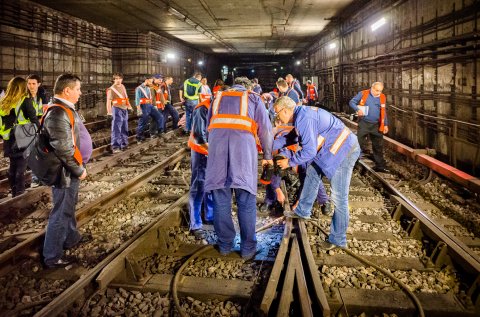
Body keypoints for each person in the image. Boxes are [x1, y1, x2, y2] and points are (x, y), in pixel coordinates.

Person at [275, 96, 360, 250]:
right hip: (331, 149)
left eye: (277, 114)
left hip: (343, 150)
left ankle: (338, 239)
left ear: (285, 111)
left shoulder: (304, 118)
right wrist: (268, 144)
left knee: (339, 197)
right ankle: (303, 211)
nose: (277, 118)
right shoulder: (301, 115)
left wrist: (289, 162)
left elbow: (309, 151)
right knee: (312, 172)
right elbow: (291, 138)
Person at [205, 77, 273, 260]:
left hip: (217, 154)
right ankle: (247, 249)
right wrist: (267, 156)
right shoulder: (253, 98)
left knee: (221, 202)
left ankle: (225, 245)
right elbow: (266, 130)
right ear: (248, 87)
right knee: (246, 202)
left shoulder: (217, 97)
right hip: (242, 155)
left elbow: (207, 129)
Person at [42, 73, 92, 268]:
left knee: (69, 205)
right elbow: (63, 148)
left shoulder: (65, 109)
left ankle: (71, 238)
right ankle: (52, 257)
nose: (80, 93)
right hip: (65, 172)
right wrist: (79, 170)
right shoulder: (58, 113)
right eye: (78, 89)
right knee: (61, 211)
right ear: (67, 90)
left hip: (69, 170)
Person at [0, 77, 40, 197]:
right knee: (21, 168)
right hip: (22, 138)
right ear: (22, 87)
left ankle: (13, 193)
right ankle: (19, 195)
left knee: (13, 166)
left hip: (8, 138)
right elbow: (34, 119)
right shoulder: (25, 100)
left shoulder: (3, 101)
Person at [187, 91, 214, 239]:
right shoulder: (202, 108)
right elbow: (199, 134)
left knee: (210, 185)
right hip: (200, 151)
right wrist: (212, 150)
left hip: (210, 151)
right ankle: (195, 224)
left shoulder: (217, 108)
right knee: (198, 186)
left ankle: (209, 216)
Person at [349, 82, 389, 173]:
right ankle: (353, 164)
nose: (379, 93)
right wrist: (357, 109)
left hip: (376, 125)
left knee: (378, 146)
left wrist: (385, 124)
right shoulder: (363, 94)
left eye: (380, 91)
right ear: (372, 88)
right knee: (358, 144)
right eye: (377, 90)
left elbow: (383, 112)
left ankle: (380, 166)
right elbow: (352, 102)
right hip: (364, 123)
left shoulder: (382, 97)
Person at [26, 74, 45, 187]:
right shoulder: (24, 97)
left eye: (33, 84)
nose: (31, 86)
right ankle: (34, 178)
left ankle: (39, 177)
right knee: (31, 154)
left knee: (39, 153)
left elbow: (41, 114)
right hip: (26, 131)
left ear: (38, 84)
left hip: (36, 128)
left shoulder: (40, 97)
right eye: (29, 83)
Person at [106, 73, 132, 153]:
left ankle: (124, 144)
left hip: (124, 109)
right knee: (116, 128)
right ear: (113, 80)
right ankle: (115, 146)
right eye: (116, 79)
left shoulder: (123, 86)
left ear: (122, 79)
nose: (118, 80)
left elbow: (126, 97)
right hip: (117, 109)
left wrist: (129, 106)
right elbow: (108, 101)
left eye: (119, 78)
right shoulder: (111, 89)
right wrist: (109, 112)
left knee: (124, 127)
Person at [135, 75, 164, 142]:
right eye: (150, 81)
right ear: (146, 80)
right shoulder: (139, 89)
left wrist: (154, 106)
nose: (151, 82)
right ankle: (139, 137)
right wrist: (139, 110)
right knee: (143, 122)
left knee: (160, 116)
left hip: (150, 105)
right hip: (143, 106)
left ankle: (160, 131)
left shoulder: (148, 88)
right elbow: (137, 100)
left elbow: (151, 98)